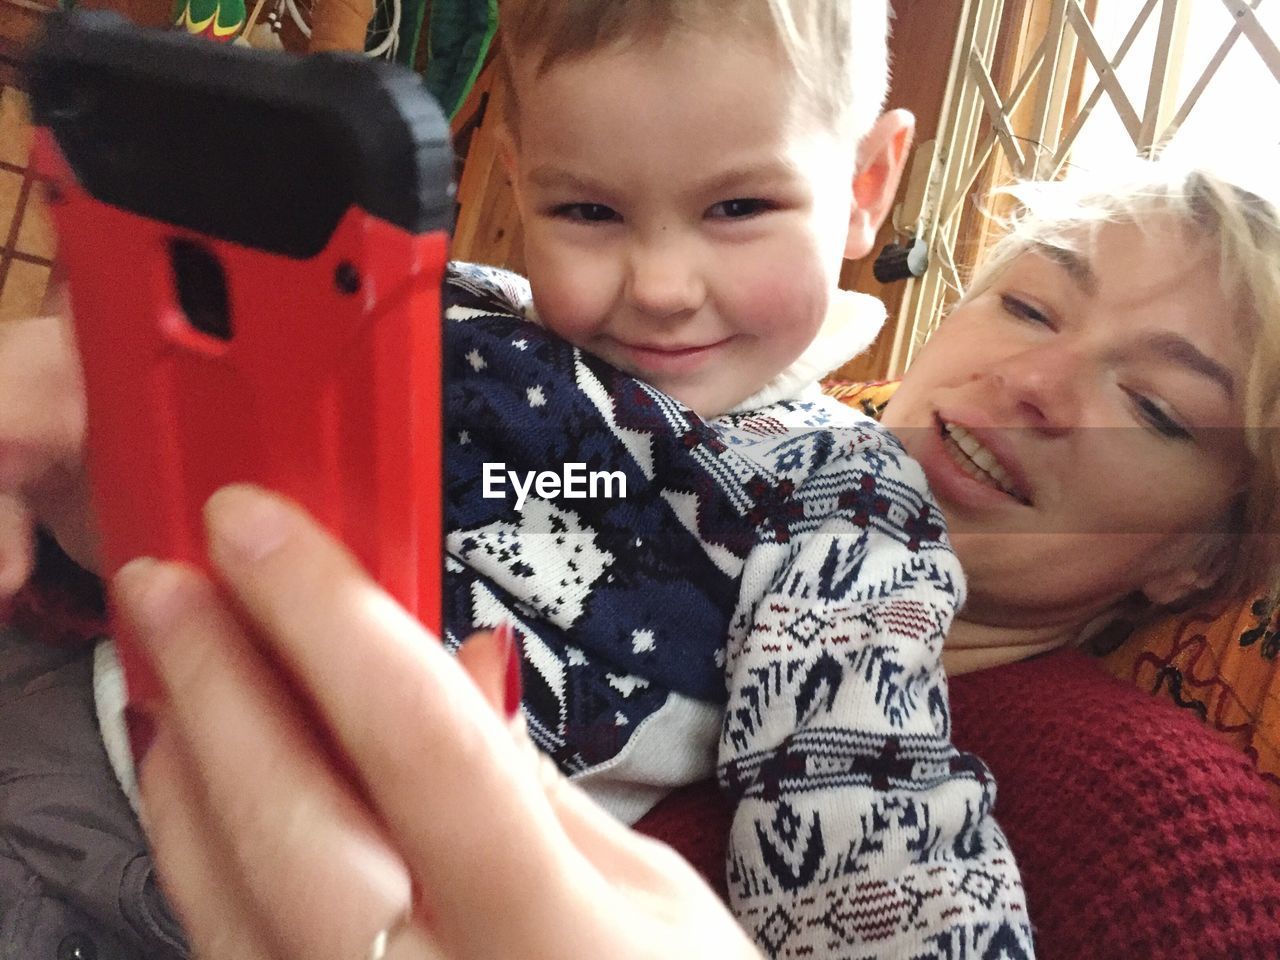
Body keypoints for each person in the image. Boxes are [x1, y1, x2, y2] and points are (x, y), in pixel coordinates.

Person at [1, 1, 1035, 957]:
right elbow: (197, 488)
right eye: (587, 211)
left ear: (863, 186)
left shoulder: (836, 491)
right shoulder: (433, 308)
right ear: (518, 172)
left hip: (266, 898)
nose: (662, 287)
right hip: (82, 697)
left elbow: (859, 788)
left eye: (737, 205)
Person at [105, 155, 1280, 959]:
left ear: (1199, 557)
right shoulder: (707, 438)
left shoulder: (1163, 830)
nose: (1034, 387)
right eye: (1028, 308)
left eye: (1156, 407)